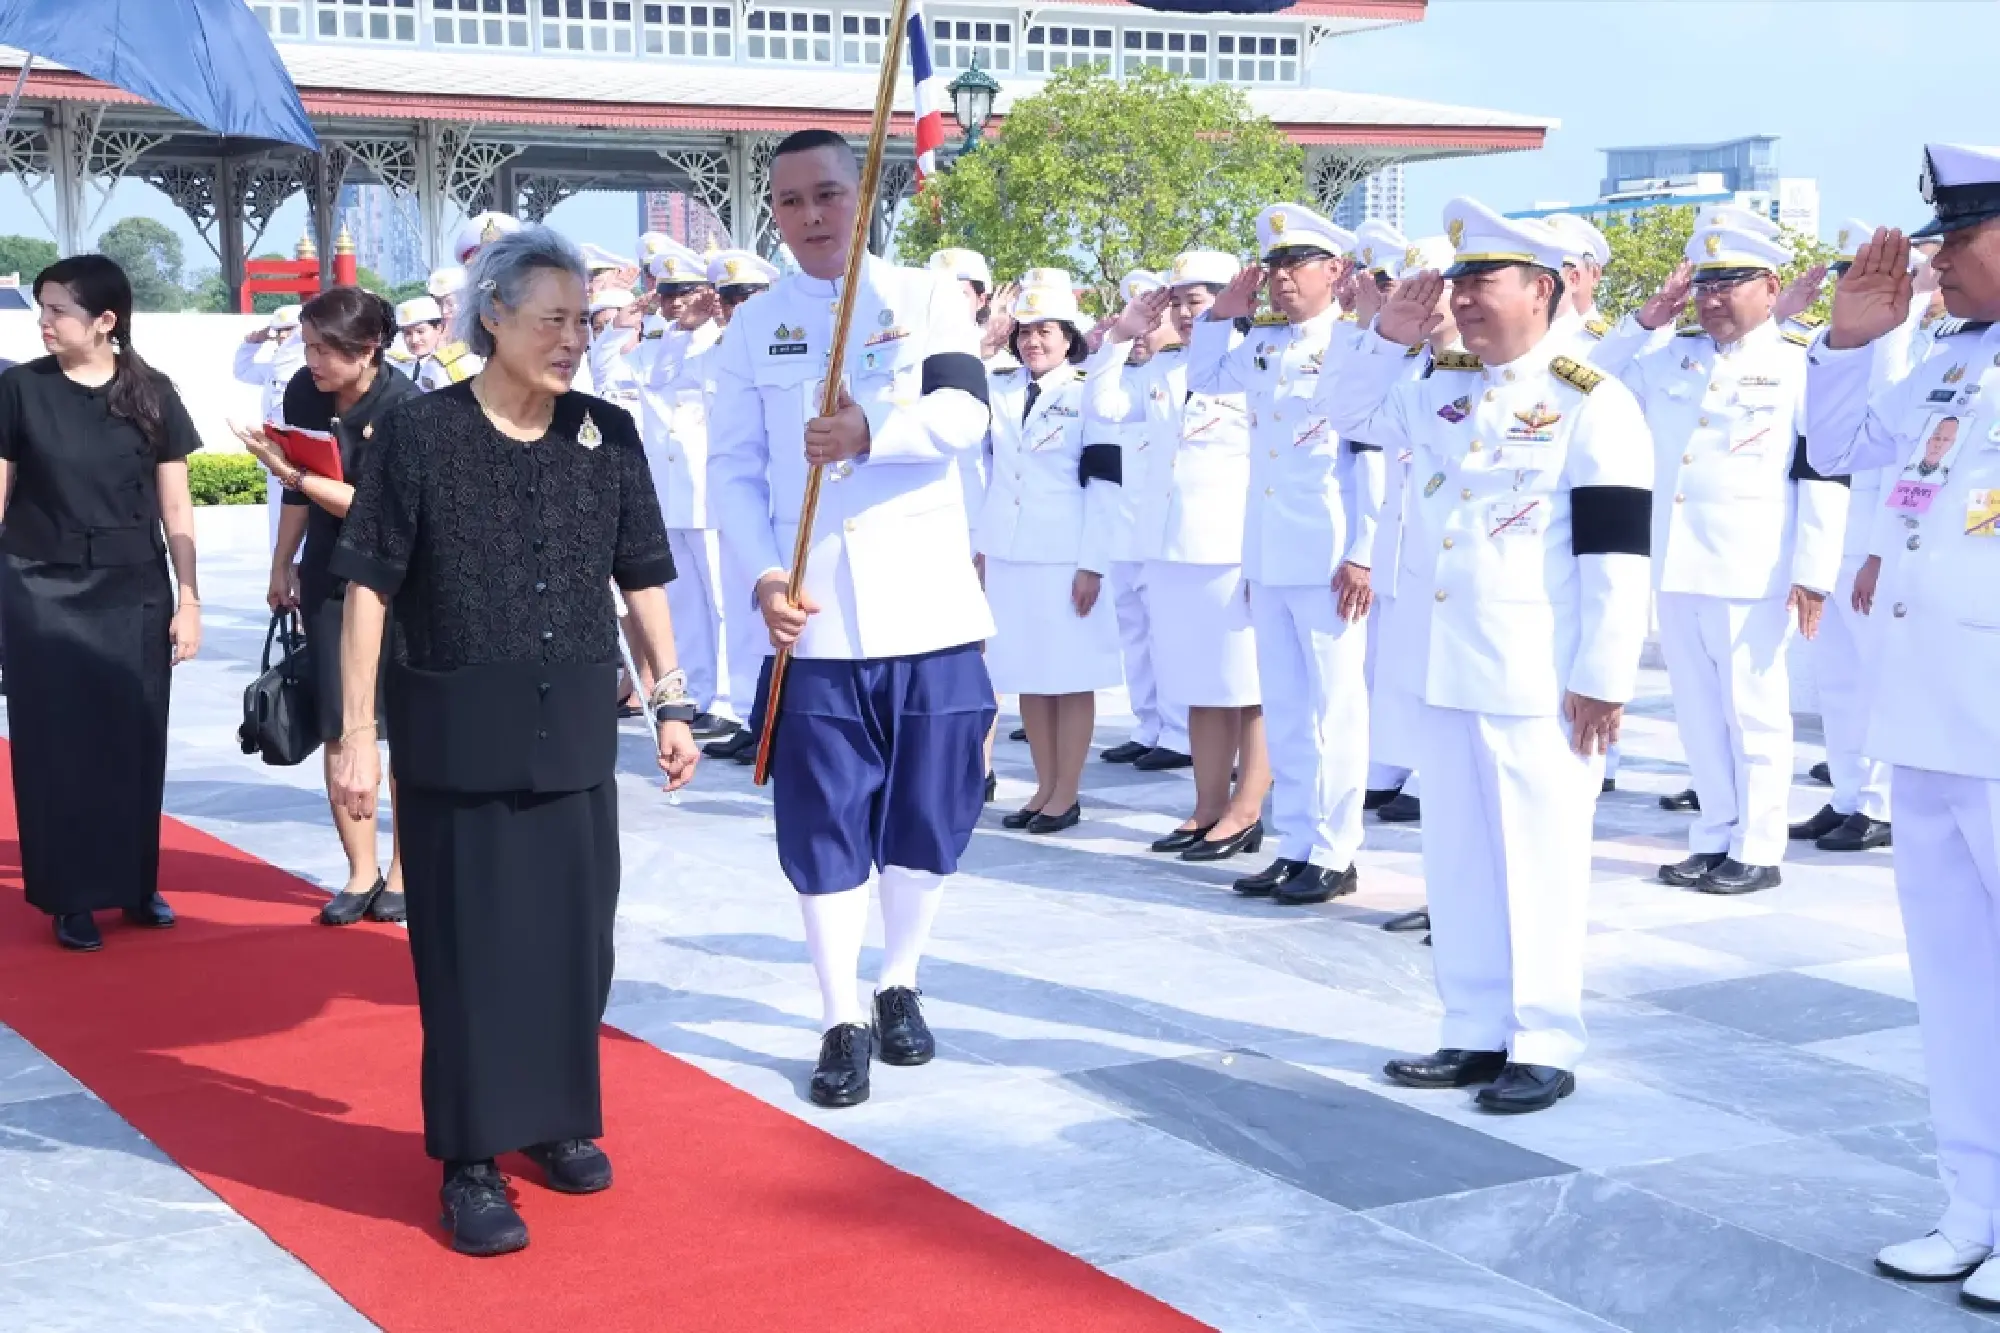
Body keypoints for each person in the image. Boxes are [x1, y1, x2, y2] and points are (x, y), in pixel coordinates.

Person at [328, 227, 699, 1256]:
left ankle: (553, 1120)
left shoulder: (606, 434)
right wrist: (356, 731)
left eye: (582, 320)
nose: (573, 338)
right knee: (471, 954)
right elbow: (369, 585)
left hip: (573, 723)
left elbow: (642, 579)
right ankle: (472, 1161)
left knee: (577, 946)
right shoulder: (421, 434)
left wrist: (669, 699)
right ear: (491, 314)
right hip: (457, 729)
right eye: (553, 319)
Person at [1326, 198, 1655, 1113]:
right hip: (1447, 663)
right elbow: (1342, 411)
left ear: (1542, 290)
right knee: (1461, 857)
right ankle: (1472, 1026)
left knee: (1541, 859)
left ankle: (1544, 1038)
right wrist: (1385, 335)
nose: (1462, 296)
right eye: (1459, 280)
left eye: (1483, 280)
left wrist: (1603, 677)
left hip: (1538, 674)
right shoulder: (1441, 385)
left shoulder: (1596, 400)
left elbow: (1617, 555)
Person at [707, 129, 995, 1110]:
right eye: (788, 202)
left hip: (929, 607)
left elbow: (964, 414)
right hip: (815, 617)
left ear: (862, 198)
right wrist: (757, 577)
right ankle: (839, 1015)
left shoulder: (925, 296)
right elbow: (733, 472)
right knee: (821, 822)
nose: (810, 217)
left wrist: (876, 430)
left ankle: (899, 979)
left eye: (828, 194)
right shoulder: (752, 330)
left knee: (929, 815)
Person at [1805, 144, 2000, 1311]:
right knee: (1955, 984)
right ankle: (1970, 1205)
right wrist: (1848, 341)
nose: (1937, 266)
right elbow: (1840, 451)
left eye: (1959, 243)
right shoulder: (1943, 359)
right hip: (1927, 714)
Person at [1631, 218, 1848, 896]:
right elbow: (1592, 386)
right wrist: (1645, 321)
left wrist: (1814, 572)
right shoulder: (1672, 359)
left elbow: (1822, 471)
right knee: (1696, 715)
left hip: (1755, 569)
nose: (1712, 297)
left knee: (1753, 713)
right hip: (1676, 564)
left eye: (1730, 282)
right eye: (1704, 284)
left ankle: (1757, 846)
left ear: (1771, 287)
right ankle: (1713, 836)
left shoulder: (1798, 363)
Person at [0, 255, 204, 952]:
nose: (44, 321)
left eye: (57, 308)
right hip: (39, 587)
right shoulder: (20, 389)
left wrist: (191, 598)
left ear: (105, 319)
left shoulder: (152, 392)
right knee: (56, 746)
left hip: (134, 588)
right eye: (43, 307)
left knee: (133, 738)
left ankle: (133, 882)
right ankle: (68, 894)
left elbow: (175, 502)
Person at [1191, 203, 1383, 907]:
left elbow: (1372, 461)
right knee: (1289, 708)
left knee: (1336, 709)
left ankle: (1337, 850)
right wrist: (1223, 310)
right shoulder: (1267, 344)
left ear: (1335, 271)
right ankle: (1297, 842)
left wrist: (1363, 552)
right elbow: (1205, 378)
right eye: (1272, 267)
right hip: (1271, 554)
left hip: (1331, 555)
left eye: (1294, 265)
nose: (1279, 279)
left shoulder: (1362, 346)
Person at [240, 288, 421, 927]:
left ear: (368, 347)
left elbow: (376, 511)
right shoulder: (303, 393)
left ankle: (404, 871)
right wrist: (281, 561)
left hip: (398, 581)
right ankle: (360, 870)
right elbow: (299, 485)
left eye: (324, 349)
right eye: (308, 346)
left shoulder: (407, 409)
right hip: (327, 573)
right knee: (340, 721)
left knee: (398, 728)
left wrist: (290, 475)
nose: (311, 360)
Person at [1089, 250, 1271, 861]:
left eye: (1203, 299)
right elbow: (1103, 407)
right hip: (1168, 548)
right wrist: (1120, 337)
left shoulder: (1258, 362)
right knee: (1197, 686)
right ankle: (1206, 806)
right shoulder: (1163, 370)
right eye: (1183, 302)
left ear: (1234, 299)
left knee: (1245, 687)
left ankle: (1246, 811)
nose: (1192, 313)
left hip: (1231, 549)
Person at [978, 271, 1123, 834]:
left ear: (1070, 338)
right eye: (1026, 332)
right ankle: (1042, 786)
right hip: (1010, 552)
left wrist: (1093, 563)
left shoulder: (1089, 392)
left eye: (1046, 332)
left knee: (1069, 676)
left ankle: (1068, 791)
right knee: (1029, 677)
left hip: (1066, 554)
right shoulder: (1003, 386)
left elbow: (1106, 483)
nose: (1033, 342)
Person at [1792, 220, 1918, 855]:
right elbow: (1815, 449)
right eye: (1843, 276)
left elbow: (1900, 463)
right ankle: (1847, 796)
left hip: (1871, 539)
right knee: (1837, 682)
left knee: (1873, 680)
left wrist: (1877, 552)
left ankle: (1878, 805)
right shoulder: (1830, 342)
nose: (1849, 287)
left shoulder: (1908, 343)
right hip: (1828, 533)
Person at [1095, 269, 1191, 773]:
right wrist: (1115, 341)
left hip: (1174, 532)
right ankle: (1148, 723)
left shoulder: (1193, 373)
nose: (1143, 332)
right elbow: (1102, 406)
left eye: (1152, 320)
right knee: (1136, 632)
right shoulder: (1139, 378)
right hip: (1127, 528)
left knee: (1169, 634)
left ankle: (1180, 730)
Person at [233, 303, 305, 541]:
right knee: (278, 520)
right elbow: (242, 371)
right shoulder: (274, 368)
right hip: (275, 454)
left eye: (289, 329)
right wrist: (255, 340)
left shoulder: (310, 367)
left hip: (301, 457)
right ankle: (284, 571)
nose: (283, 336)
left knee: (304, 525)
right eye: (279, 331)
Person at [416, 267, 481, 392]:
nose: (444, 312)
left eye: (450, 304)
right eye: (438, 304)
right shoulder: (432, 352)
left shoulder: (488, 341)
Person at [393, 295, 444, 378]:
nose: (414, 340)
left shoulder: (447, 370)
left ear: (438, 328)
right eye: (407, 333)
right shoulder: (400, 369)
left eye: (420, 332)